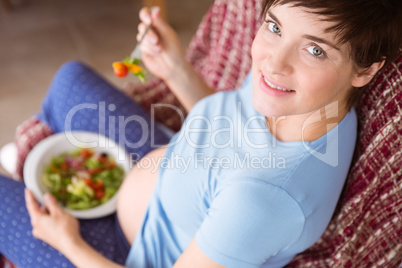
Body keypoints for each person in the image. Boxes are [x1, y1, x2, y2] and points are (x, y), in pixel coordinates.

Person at [0, 0, 401, 267]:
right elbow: (233, 124)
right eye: (275, 27)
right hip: (165, 169)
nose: (273, 61)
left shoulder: (264, 201)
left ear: (366, 70)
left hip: (129, 253)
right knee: (71, 78)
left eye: (315, 50)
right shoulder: (306, 97)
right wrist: (175, 70)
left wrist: (66, 241)